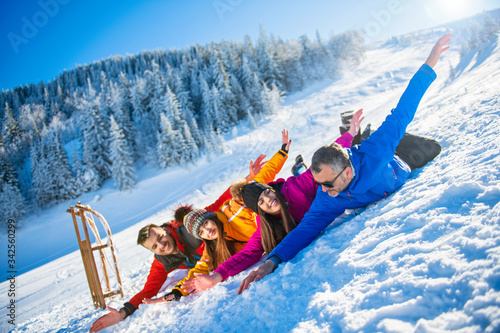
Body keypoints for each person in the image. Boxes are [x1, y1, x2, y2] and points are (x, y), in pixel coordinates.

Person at [238, 34, 450, 291]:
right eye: (319, 185)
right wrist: (271, 261)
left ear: (347, 172)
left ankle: (384, 137)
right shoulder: (328, 197)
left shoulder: (374, 154)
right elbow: (304, 230)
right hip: (367, 155)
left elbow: (404, 108)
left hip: (398, 161)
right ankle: (368, 135)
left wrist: (430, 62)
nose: (322, 191)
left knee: (430, 147)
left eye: (327, 184)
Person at [180, 115, 363, 294]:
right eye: (261, 202)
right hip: (305, 217)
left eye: (267, 193)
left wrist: (350, 134)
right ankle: (297, 168)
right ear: (259, 211)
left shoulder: (294, 189)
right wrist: (216, 277)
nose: (269, 200)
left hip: (314, 190)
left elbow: (322, 164)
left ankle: (298, 168)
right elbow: (248, 253)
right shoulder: (264, 226)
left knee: (307, 175)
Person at [88, 154, 266, 332]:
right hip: (228, 259)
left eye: (160, 237)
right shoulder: (161, 262)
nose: (161, 245)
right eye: (155, 246)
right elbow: (148, 291)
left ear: (165, 230)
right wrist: (122, 313)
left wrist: (248, 178)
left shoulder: (191, 226)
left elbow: (219, 203)